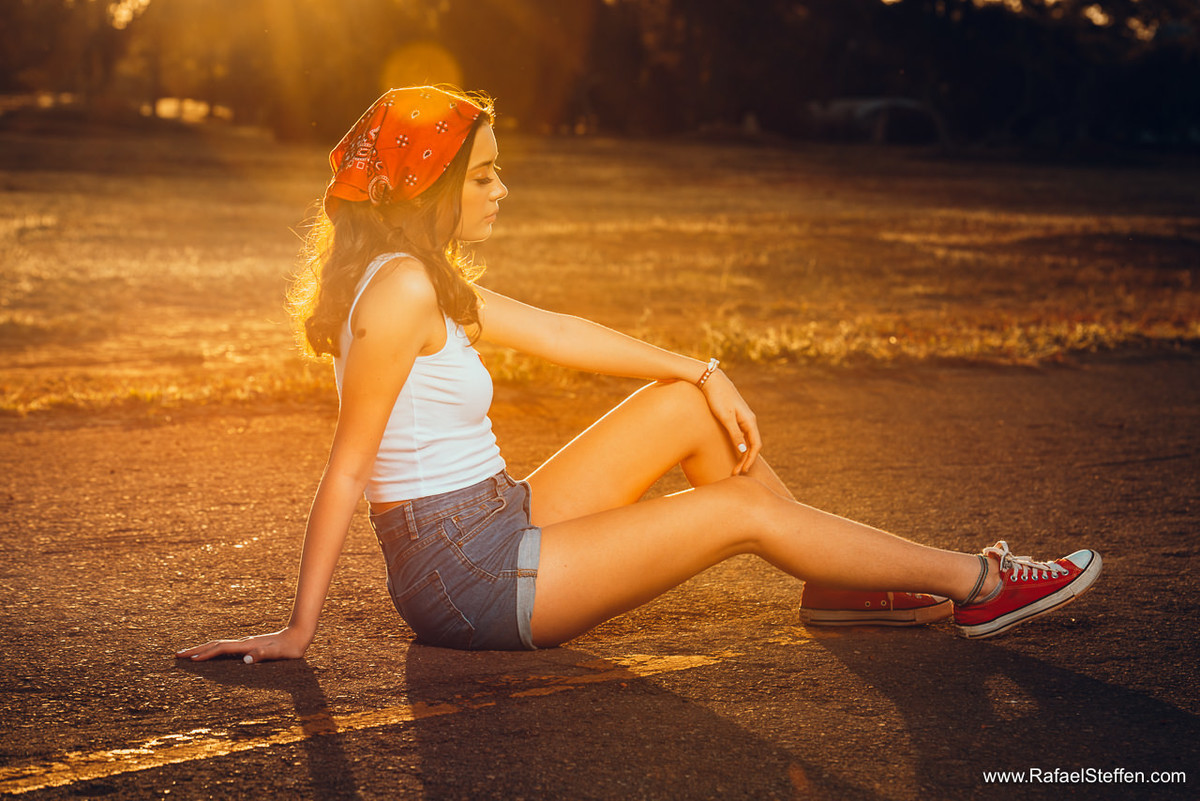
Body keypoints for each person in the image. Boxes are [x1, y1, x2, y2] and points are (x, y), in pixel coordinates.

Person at [176, 86, 1101, 662]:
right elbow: (346, 470)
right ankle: (980, 584)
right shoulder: (400, 293)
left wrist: (705, 366)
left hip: (499, 517)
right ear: (432, 185)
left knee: (686, 406)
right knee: (739, 514)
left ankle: (835, 582)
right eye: (487, 177)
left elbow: (565, 332)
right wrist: (297, 629)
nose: (504, 193)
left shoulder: (423, 278)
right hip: (467, 577)